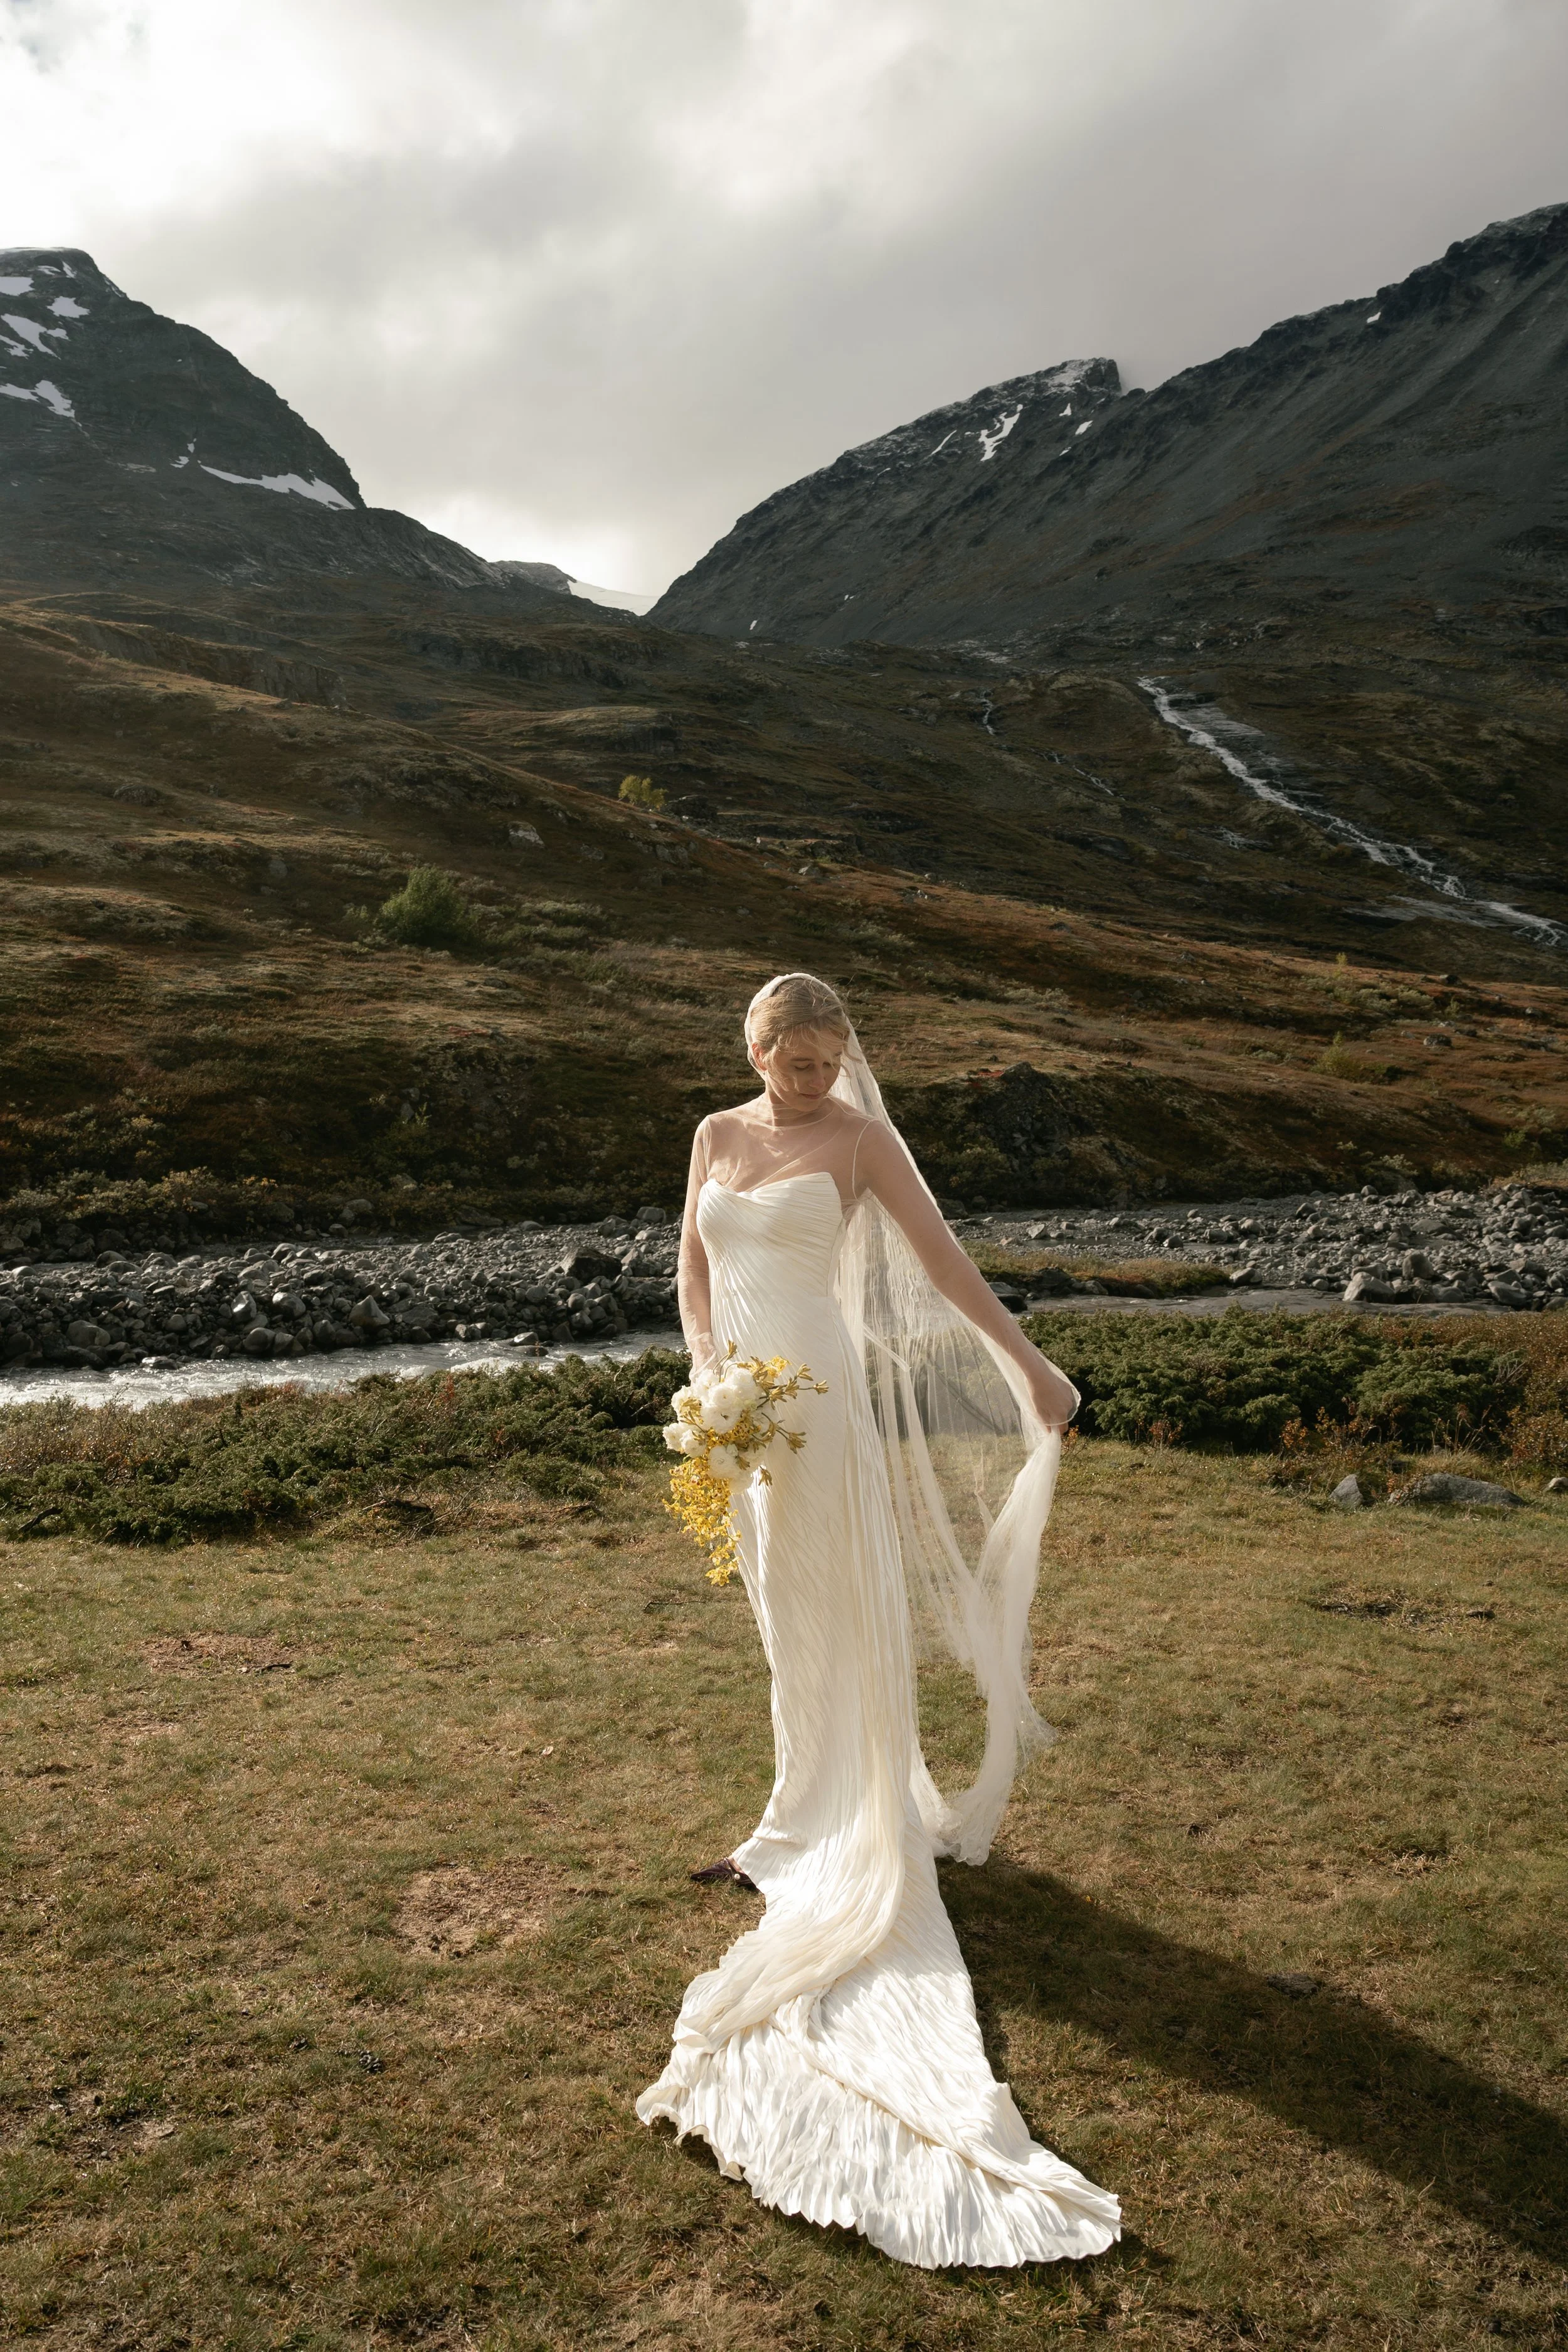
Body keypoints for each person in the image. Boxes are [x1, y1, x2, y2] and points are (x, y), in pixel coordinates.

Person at [635, 972, 1121, 2269]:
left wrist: (1028, 1364)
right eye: (791, 1063)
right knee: (784, 1630)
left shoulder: (862, 1143)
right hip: (745, 1423)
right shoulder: (712, 1136)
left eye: (827, 1061)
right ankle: (793, 1816)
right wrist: (707, 1376)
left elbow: (938, 1263)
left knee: (839, 1618)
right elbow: (690, 1263)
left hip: (828, 1417)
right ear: (751, 1051)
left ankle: (833, 1828)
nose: (810, 1081)